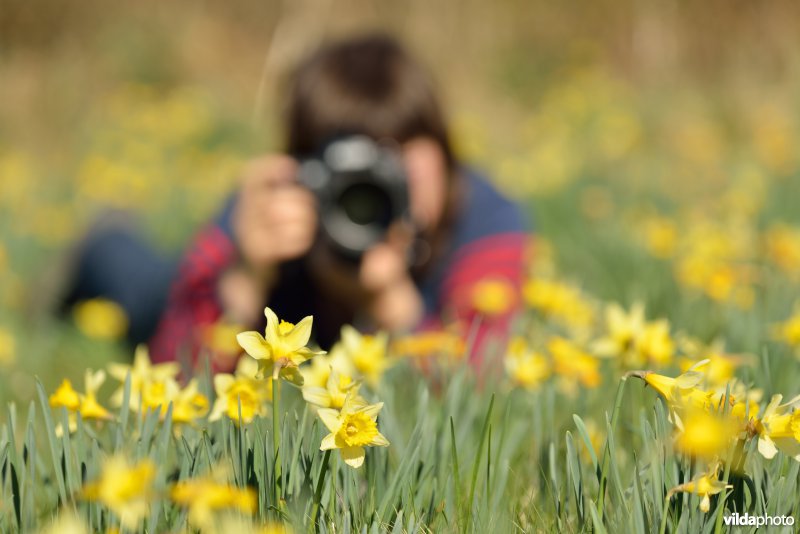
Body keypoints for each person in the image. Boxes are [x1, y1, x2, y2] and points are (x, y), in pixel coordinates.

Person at [65, 34, 529, 372]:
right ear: (302, 166)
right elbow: (175, 374)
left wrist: (390, 303)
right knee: (137, 286)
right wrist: (243, 280)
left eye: (393, 154)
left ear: (444, 150)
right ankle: (102, 242)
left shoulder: (482, 218)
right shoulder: (270, 213)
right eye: (349, 164)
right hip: (168, 289)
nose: (370, 184)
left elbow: (481, 393)